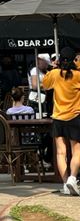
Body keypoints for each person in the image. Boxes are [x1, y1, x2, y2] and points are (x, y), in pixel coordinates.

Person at [42, 46, 80, 196]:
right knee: (76, 151)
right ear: (74, 60)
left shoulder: (55, 74)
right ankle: (72, 178)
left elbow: (45, 85)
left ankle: (65, 183)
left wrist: (53, 67)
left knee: (60, 153)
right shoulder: (78, 75)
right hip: (75, 116)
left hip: (58, 117)